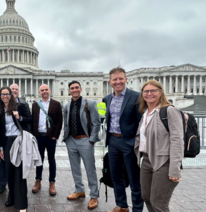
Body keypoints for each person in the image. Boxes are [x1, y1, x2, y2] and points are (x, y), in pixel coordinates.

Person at [135, 80, 183, 212]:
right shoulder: (145, 112)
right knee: (147, 197)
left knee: (159, 203)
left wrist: (175, 168)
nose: (149, 94)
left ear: (161, 92)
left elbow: (177, 140)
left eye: (153, 91)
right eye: (146, 91)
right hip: (146, 160)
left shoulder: (169, 111)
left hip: (164, 161)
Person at [104, 67, 143, 212]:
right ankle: (122, 205)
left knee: (134, 178)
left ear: (126, 80)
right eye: (115, 79)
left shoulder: (136, 96)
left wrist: (136, 142)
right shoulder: (107, 98)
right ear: (110, 82)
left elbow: (141, 122)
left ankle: (137, 208)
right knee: (116, 176)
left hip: (129, 142)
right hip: (113, 141)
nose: (118, 82)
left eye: (121, 79)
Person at [62, 81, 100, 210]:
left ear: (81, 89)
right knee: (75, 168)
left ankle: (94, 195)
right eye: (72, 88)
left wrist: (92, 140)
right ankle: (79, 190)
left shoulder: (90, 103)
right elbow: (66, 124)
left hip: (85, 139)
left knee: (90, 168)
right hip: (71, 140)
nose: (74, 90)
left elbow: (96, 122)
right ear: (69, 90)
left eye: (76, 88)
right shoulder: (66, 106)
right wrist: (66, 138)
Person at [0, 86, 32, 211]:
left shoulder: (20, 106)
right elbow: (0, 131)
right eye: (3, 94)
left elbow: (30, 120)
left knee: (19, 173)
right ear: (0, 96)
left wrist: (20, 118)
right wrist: (0, 147)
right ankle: (11, 196)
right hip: (7, 142)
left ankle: (21, 202)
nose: (5, 96)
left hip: (19, 141)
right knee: (9, 172)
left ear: (11, 95)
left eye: (7, 94)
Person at [31, 84, 63, 196]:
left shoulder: (56, 104)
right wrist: (33, 135)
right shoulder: (35, 105)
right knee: (39, 160)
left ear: (49, 90)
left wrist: (55, 135)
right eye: (42, 90)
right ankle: (38, 180)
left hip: (50, 137)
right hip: (39, 136)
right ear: (39, 92)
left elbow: (60, 121)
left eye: (46, 90)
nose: (44, 92)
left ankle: (52, 182)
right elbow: (33, 121)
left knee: (51, 160)